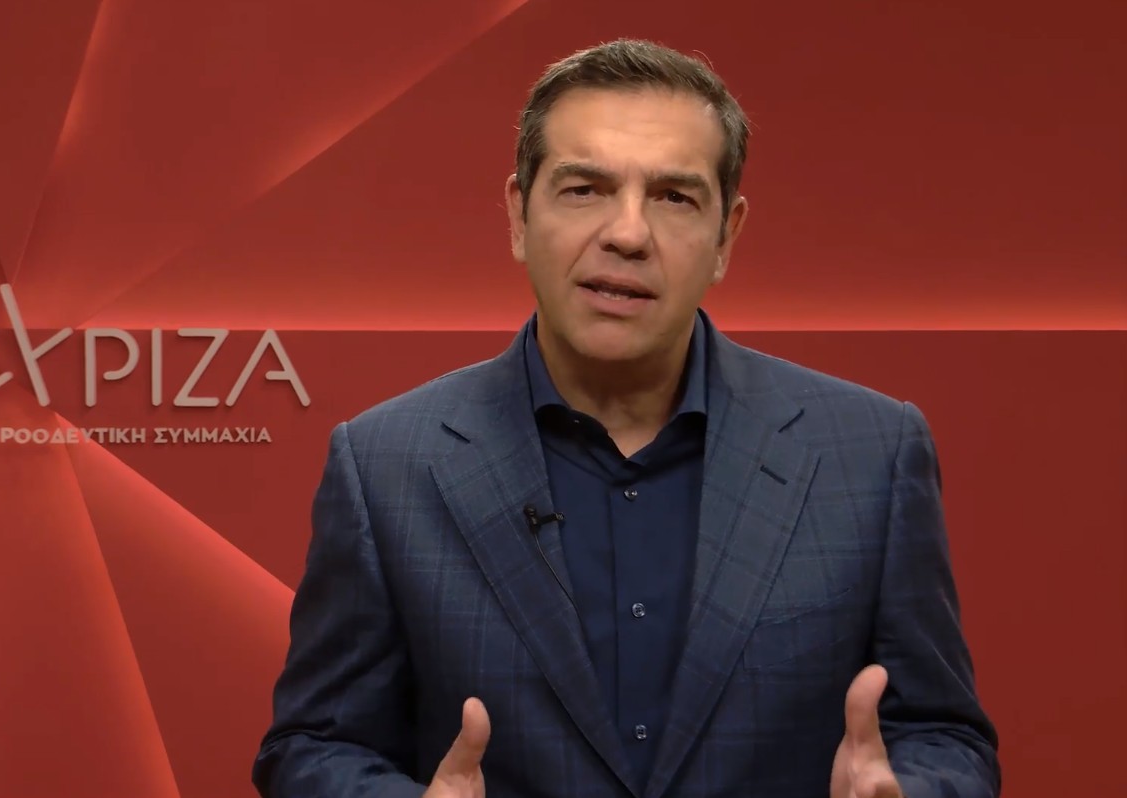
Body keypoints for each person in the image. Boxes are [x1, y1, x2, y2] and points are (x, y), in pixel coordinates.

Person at [251, 38, 1000, 798]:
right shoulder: (384, 465)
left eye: (674, 198)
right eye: (585, 189)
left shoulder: (870, 453)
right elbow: (314, 746)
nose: (629, 234)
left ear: (727, 237)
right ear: (518, 215)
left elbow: (946, 737)